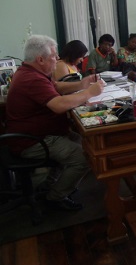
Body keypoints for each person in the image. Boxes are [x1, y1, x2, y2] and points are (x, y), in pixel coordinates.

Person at [5, 35, 105, 211]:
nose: (57, 59)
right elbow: (59, 106)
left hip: (41, 133)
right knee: (85, 157)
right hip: (32, 141)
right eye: (54, 56)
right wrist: (89, 92)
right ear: (40, 59)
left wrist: (82, 84)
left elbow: (56, 87)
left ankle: (51, 185)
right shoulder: (31, 79)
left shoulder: (31, 71)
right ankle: (55, 197)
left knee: (86, 145)